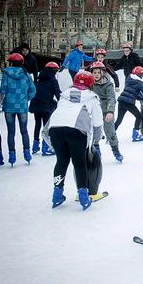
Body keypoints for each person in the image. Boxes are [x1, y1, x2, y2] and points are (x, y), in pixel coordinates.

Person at [43, 71, 103, 210]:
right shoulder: (92, 98)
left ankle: (57, 195)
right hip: (76, 130)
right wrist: (96, 141)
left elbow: (56, 115)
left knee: (62, 161)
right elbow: (97, 123)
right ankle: (83, 197)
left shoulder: (64, 96)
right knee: (79, 163)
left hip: (56, 129)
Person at [1, 53, 36, 166]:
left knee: (11, 132)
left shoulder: (6, 74)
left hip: (9, 106)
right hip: (22, 106)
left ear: (11, 62)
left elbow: (3, 90)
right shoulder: (26, 75)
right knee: (24, 131)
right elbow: (33, 90)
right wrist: (25, 99)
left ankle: (12, 155)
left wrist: (3, 100)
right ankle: (27, 153)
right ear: (21, 63)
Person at [89, 61, 123, 163]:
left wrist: (110, 112)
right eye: (94, 73)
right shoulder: (89, 83)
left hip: (105, 111)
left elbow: (111, 98)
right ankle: (96, 149)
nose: (96, 75)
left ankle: (116, 151)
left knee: (110, 131)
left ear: (102, 73)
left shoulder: (108, 84)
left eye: (98, 73)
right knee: (94, 131)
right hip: (93, 111)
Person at [114, 66, 143, 142]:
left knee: (119, 120)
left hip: (121, 101)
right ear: (140, 75)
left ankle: (111, 136)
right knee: (139, 116)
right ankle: (135, 136)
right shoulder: (139, 83)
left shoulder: (129, 79)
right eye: (142, 74)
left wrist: (140, 98)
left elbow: (133, 92)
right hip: (129, 103)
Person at [28, 61, 61, 156]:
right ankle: (45, 148)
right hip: (45, 106)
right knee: (46, 127)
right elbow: (58, 95)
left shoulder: (40, 79)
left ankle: (35, 146)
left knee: (37, 124)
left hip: (36, 104)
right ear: (54, 71)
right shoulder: (53, 80)